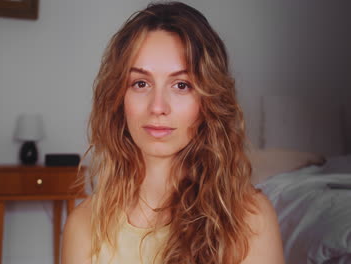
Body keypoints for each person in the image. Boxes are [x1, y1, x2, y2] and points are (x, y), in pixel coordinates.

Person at [62, 2, 284, 264]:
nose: (158, 107)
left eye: (181, 85)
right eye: (141, 83)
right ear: (119, 97)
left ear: (208, 100)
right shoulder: (83, 225)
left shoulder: (249, 218)